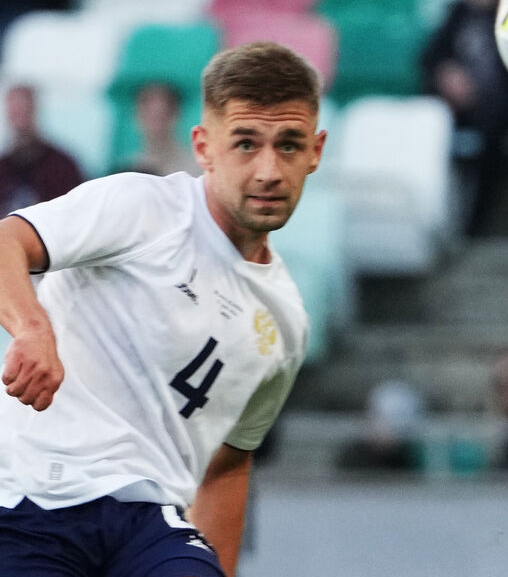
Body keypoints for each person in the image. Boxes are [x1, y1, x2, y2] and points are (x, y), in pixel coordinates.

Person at [0, 41, 326, 577]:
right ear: (203, 147)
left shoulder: (286, 322)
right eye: (246, 143)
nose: (268, 170)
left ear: (316, 151)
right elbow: (7, 241)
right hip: (27, 500)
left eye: (288, 145)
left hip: (149, 525)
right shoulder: (139, 207)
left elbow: (227, 466)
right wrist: (33, 329)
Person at [420, 0, 508, 236]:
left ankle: (476, 224)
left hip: (500, 107)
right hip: (455, 106)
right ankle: (430, 219)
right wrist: (447, 74)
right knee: (427, 118)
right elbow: (430, 57)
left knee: (493, 127)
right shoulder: (461, 11)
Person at [0, 84, 85, 217]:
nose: (20, 120)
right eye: (15, 113)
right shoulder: (4, 168)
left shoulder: (61, 166)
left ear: (34, 111)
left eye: (24, 111)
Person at [118, 82, 199, 176]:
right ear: (135, 113)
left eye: (167, 103)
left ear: (178, 113)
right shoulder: (127, 169)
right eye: (146, 102)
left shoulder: (199, 169)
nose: (157, 108)